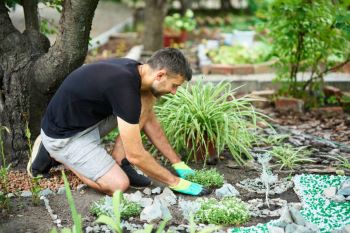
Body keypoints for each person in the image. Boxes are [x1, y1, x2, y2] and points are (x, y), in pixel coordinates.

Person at [27, 48, 209, 196]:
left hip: (86, 122)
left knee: (146, 98)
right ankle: (55, 154)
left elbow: (149, 121)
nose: (174, 91)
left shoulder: (136, 71)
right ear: (160, 75)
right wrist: (175, 182)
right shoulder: (124, 89)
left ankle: (120, 161)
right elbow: (136, 155)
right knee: (118, 185)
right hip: (65, 137)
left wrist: (177, 163)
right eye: (174, 85)